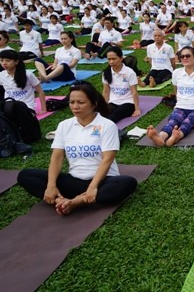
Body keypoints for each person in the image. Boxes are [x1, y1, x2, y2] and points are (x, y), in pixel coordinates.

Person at [16, 82, 138, 215]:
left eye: (81, 102)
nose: (75, 106)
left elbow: (108, 159)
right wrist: (51, 185)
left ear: (94, 104)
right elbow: (56, 157)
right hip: (75, 180)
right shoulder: (64, 125)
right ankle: (61, 202)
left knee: (127, 183)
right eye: (72, 102)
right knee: (25, 175)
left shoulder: (107, 125)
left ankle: (77, 202)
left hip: (103, 181)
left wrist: (93, 186)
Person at [146, 47, 194, 147]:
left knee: (189, 121)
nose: (184, 58)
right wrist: (179, 103)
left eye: (187, 56)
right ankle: (160, 137)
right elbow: (176, 90)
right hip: (181, 107)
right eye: (182, 56)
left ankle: (176, 136)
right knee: (173, 121)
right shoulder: (176, 73)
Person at [102, 46, 141, 123]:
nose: (111, 62)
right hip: (113, 102)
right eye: (109, 59)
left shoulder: (129, 72)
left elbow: (134, 92)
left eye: (114, 59)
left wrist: (137, 109)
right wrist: (103, 106)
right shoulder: (106, 73)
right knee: (101, 115)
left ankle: (103, 129)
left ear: (121, 58)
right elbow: (106, 91)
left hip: (128, 103)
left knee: (114, 116)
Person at [0, 49, 46, 113]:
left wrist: (44, 109)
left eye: (8, 61)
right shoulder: (1, 75)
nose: (4, 63)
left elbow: (40, 91)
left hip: (26, 107)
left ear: (16, 62)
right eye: (1, 61)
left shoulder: (28, 74)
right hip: (9, 106)